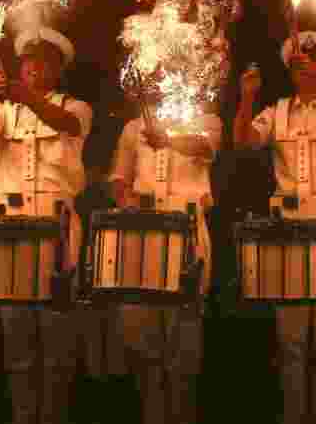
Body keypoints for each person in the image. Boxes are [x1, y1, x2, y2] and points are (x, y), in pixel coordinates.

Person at [233, 31, 316, 424]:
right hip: (287, 228)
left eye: (313, 64)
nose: (304, 71)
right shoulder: (277, 110)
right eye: (298, 66)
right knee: (290, 341)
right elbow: (244, 143)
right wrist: (248, 98)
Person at [0, 26, 91, 424]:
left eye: (42, 62)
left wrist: (26, 97)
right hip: (12, 228)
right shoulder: (9, 109)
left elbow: (65, 123)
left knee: (56, 338)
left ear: (57, 69)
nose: (32, 69)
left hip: (57, 229)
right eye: (27, 62)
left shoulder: (76, 106)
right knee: (17, 339)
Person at [109, 108, 219, 424]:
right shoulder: (132, 126)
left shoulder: (206, 119)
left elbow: (206, 147)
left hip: (187, 228)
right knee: (144, 339)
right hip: (143, 231)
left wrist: (168, 138)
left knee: (184, 333)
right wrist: (124, 197)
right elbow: (119, 176)